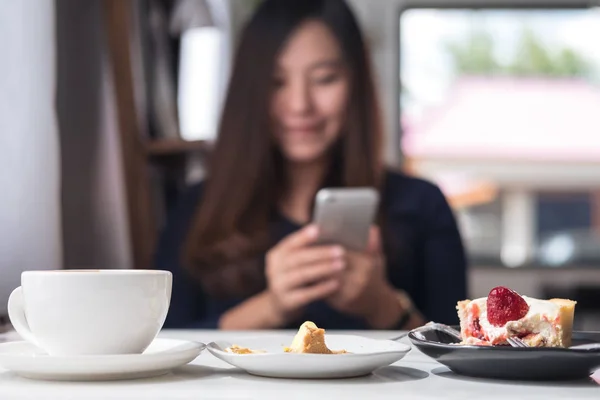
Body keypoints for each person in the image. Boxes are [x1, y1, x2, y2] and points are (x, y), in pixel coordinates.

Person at [155, 0, 467, 330]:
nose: (300, 104)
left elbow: (456, 352)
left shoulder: (422, 207)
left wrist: (381, 304)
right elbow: (168, 343)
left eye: (324, 78)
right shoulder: (197, 210)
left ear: (356, 83)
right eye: (276, 82)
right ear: (250, 92)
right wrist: (272, 306)